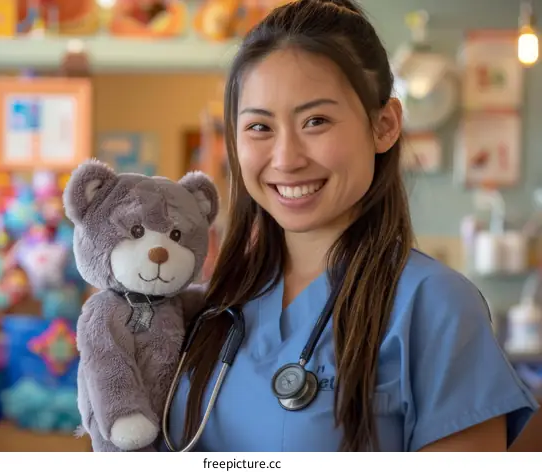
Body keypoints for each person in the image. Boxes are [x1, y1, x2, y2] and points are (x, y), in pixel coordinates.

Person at [163, 0, 539, 452]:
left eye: (315, 121)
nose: (286, 158)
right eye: (260, 127)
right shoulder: (215, 303)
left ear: (384, 125)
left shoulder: (435, 307)